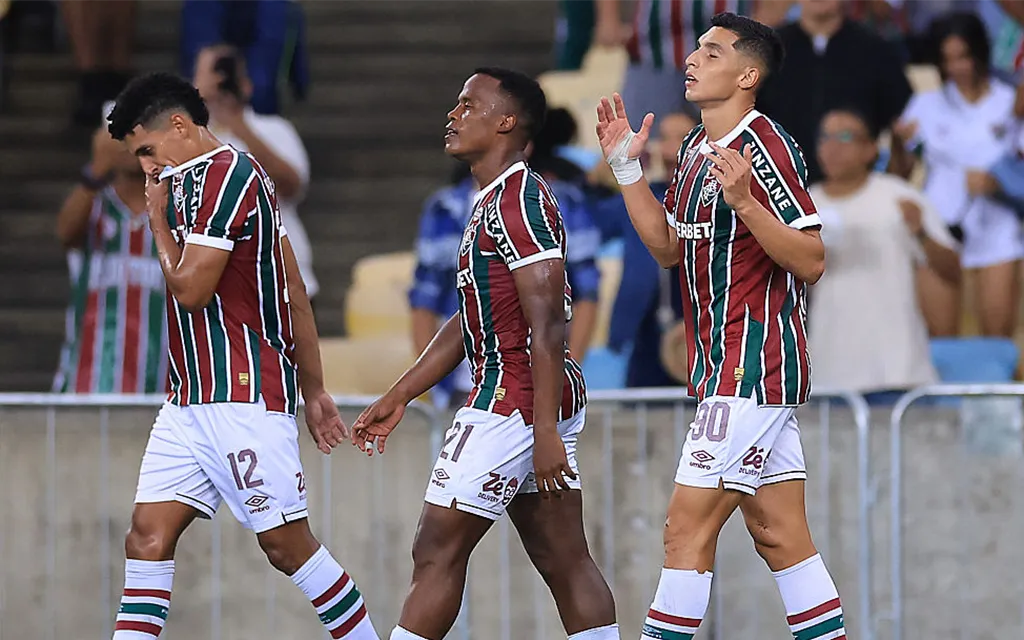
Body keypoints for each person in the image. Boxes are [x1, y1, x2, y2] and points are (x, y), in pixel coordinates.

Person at [597, 13, 847, 640]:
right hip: (722, 368)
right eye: (697, 50)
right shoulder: (691, 150)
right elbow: (668, 249)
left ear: (747, 75)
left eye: (712, 53)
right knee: (780, 534)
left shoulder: (766, 145)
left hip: (752, 366)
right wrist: (628, 172)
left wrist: (746, 205)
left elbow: (812, 259)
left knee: (684, 528)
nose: (692, 59)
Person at [104, 73, 377, 640]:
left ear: (179, 125)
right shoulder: (186, 182)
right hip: (187, 401)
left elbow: (190, 290)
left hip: (242, 393)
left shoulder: (229, 175)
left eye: (147, 150)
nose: (146, 167)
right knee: (146, 537)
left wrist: (156, 222)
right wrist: (315, 388)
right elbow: (290, 285)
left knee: (286, 546)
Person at [351, 68, 619, 640]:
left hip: (513, 399)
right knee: (563, 556)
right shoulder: (492, 198)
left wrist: (543, 430)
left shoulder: (519, 201)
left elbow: (549, 324)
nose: (453, 115)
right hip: (529, 397)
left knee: (436, 549)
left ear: (506, 123)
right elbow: (470, 317)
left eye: (469, 105)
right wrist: (401, 393)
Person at [809, 108, 960, 402]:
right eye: (824, 137)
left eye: (844, 137)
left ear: (870, 149)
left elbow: (952, 270)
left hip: (898, 371)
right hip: (828, 374)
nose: (832, 146)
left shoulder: (900, 198)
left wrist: (921, 233)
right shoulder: (804, 206)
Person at [890, 11, 1023, 338]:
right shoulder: (926, 104)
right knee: (941, 342)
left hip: (999, 233)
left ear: (979, 52)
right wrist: (897, 144)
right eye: (947, 60)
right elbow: (900, 173)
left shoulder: (1009, 103)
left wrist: (998, 184)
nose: (956, 68)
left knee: (997, 343)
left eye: (963, 57)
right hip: (940, 231)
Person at [192, 44, 319, 302]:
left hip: (282, 281)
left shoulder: (275, 129)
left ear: (246, 83)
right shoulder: (188, 137)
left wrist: (238, 127)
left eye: (226, 73)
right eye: (209, 73)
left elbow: (291, 185)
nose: (219, 81)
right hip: (218, 288)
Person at [53, 118, 168, 394]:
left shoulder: (176, 208)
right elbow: (65, 233)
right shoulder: (92, 204)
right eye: (123, 136)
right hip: (86, 386)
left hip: (162, 390)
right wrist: (96, 169)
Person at [756, 0, 913, 183]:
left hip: (855, 187)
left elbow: (902, 121)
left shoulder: (876, 50)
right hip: (780, 185)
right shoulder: (768, 51)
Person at [602, 112, 695, 388]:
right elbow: (591, 223)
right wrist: (597, 179)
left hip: (707, 327)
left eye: (682, 139)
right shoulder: (640, 196)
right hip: (649, 328)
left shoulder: (718, 197)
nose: (671, 148)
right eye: (664, 138)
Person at [595, 0, 793, 129]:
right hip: (653, 52)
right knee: (638, 143)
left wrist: (767, 20)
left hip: (728, 54)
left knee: (733, 142)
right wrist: (607, 18)